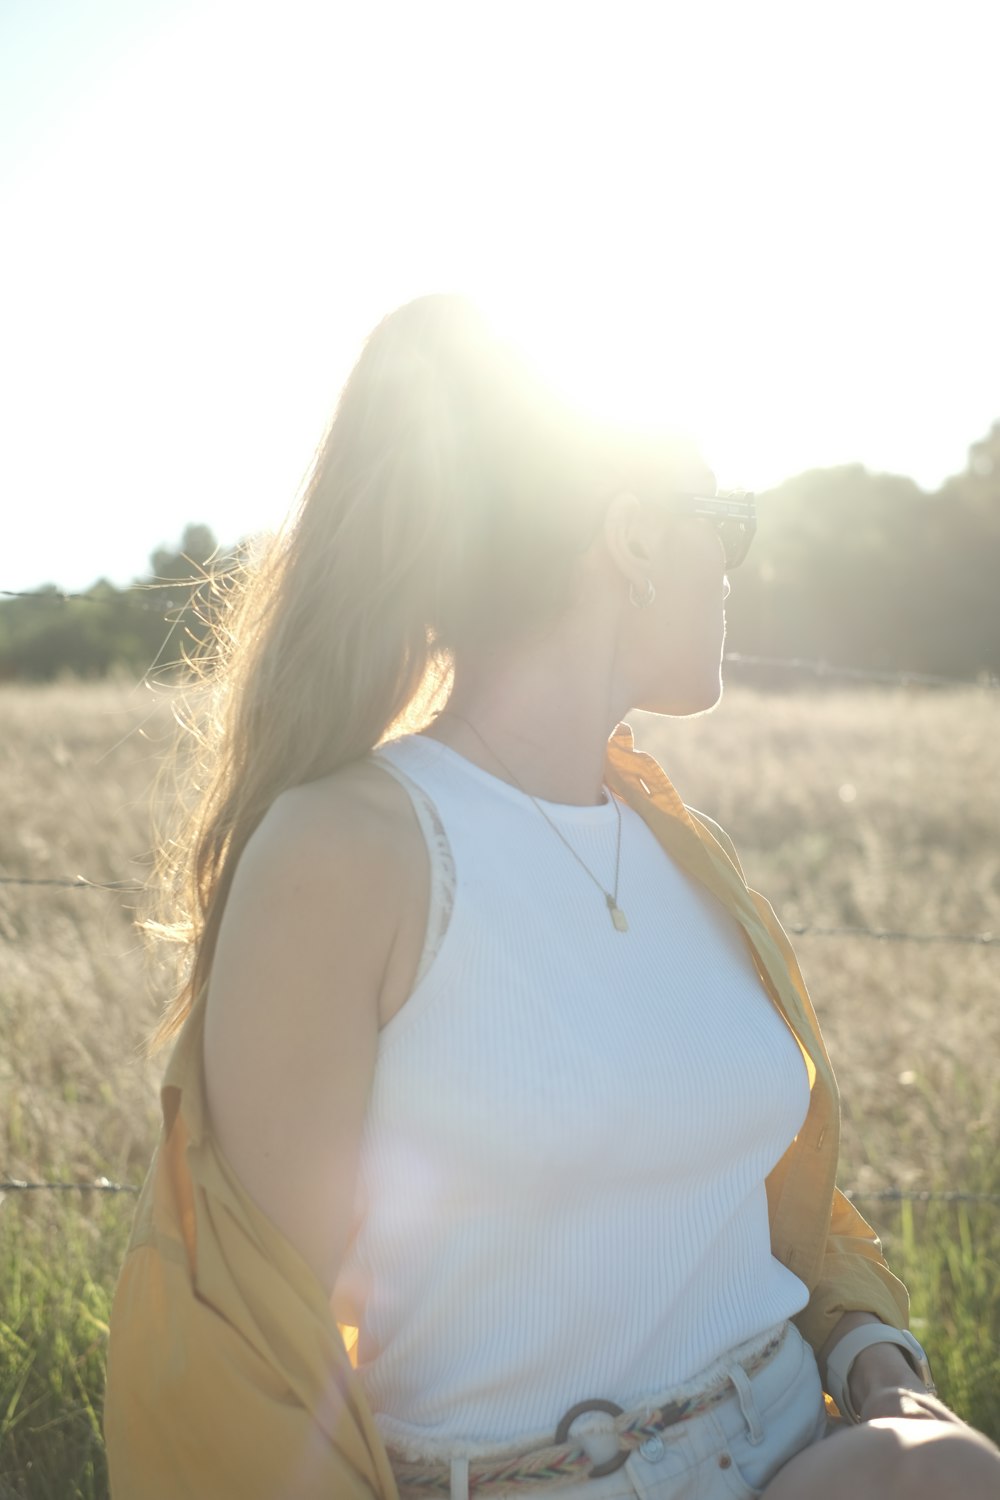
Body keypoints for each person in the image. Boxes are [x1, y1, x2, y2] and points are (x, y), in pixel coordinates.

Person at [104, 293, 1000, 1499]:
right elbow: (251, 1354)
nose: (736, 568)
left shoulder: (685, 849)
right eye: (723, 524)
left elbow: (762, 1199)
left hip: (802, 1439)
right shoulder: (349, 851)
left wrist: (867, 1344)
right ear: (632, 538)